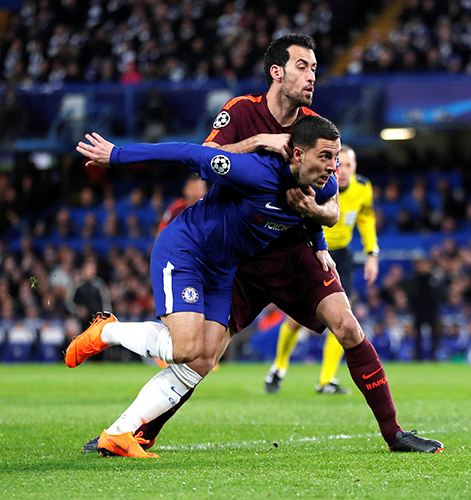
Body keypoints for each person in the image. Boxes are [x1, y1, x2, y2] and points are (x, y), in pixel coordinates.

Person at [81, 33, 442, 455]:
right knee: (200, 356)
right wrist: (256, 143)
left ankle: (394, 433)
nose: (312, 76)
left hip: (292, 252)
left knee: (346, 325)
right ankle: (134, 431)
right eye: (303, 67)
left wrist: (314, 216)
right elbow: (204, 159)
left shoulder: (314, 129)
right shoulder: (241, 113)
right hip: (237, 257)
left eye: (315, 69)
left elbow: (331, 207)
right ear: (277, 72)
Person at [70, 114, 342, 458]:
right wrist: (118, 155)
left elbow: (311, 215)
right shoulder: (253, 171)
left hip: (223, 269)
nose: (333, 168)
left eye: (336, 157)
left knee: (202, 360)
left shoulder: (324, 183)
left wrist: (320, 245)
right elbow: (187, 153)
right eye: (326, 157)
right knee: (184, 349)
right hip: (187, 250)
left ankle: (120, 433)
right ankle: (106, 331)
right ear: (300, 154)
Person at [264, 145, 379, 394]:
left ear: (355, 167)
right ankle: (279, 367)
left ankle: (326, 380)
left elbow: (366, 218)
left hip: (341, 256)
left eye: (350, 165)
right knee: (296, 319)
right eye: (341, 165)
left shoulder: (363, 188)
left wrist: (372, 253)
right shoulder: (320, 184)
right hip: (311, 250)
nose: (345, 171)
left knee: (343, 317)